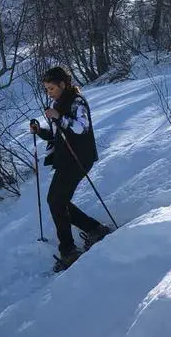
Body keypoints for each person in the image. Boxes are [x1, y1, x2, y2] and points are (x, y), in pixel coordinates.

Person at [30, 66, 111, 271]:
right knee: (57, 201)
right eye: (47, 89)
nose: (49, 92)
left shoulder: (77, 102)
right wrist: (40, 131)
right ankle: (94, 229)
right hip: (66, 159)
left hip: (79, 158)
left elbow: (81, 128)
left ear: (63, 85)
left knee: (56, 201)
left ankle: (69, 251)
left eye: (52, 88)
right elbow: (60, 134)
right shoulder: (59, 103)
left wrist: (58, 116)